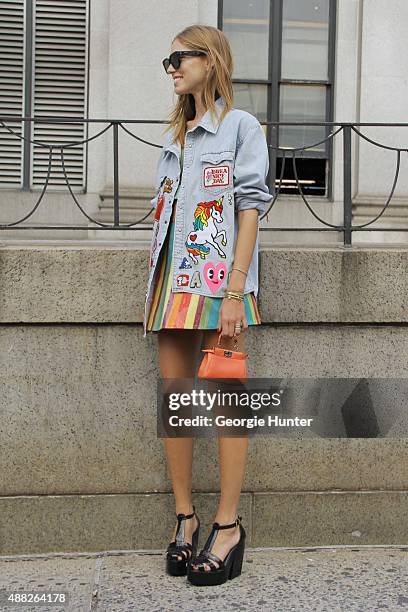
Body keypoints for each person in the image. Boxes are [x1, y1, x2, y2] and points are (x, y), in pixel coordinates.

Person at [143, 24, 272, 586]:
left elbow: (249, 207)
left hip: (221, 283)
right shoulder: (175, 138)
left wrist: (237, 290)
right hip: (172, 281)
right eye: (167, 59)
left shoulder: (240, 127)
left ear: (210, 60)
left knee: (224, 401)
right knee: (174, 403)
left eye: (180, 57)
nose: (171, 66)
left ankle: (227, 525)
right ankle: (185, 518)